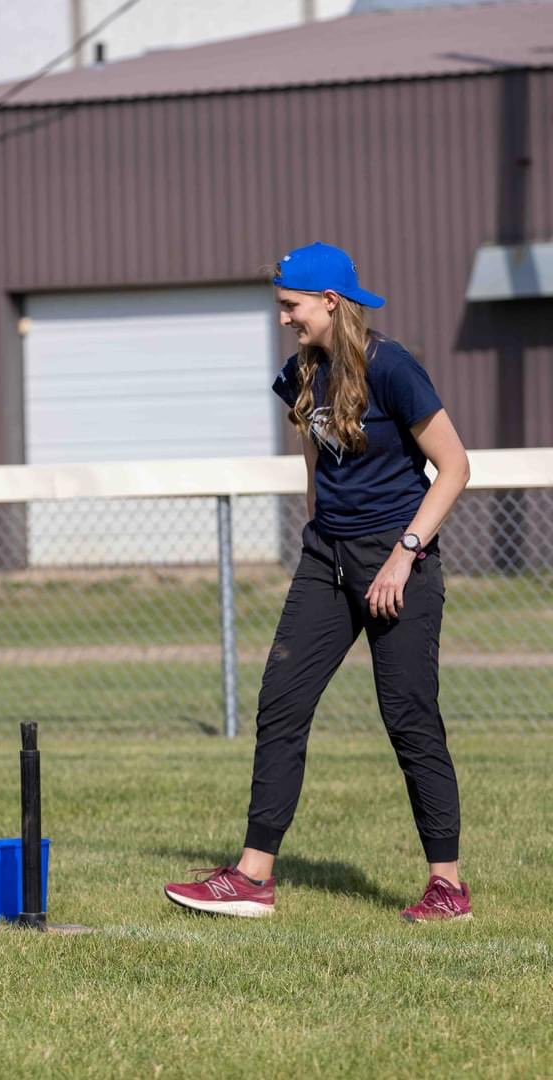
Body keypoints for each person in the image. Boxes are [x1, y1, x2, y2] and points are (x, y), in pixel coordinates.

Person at [165, 242, 473, 923]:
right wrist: (317, 527)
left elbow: (453, 466)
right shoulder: (300, 373)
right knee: (280, 703)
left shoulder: (393, 367)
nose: (283, 319)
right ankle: (253, 876)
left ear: (330, 301)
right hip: (325, 562)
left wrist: (404, 553)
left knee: (409, 718)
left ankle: (448, 886)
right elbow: (319, 457)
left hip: (399, 564)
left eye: (291, 306)